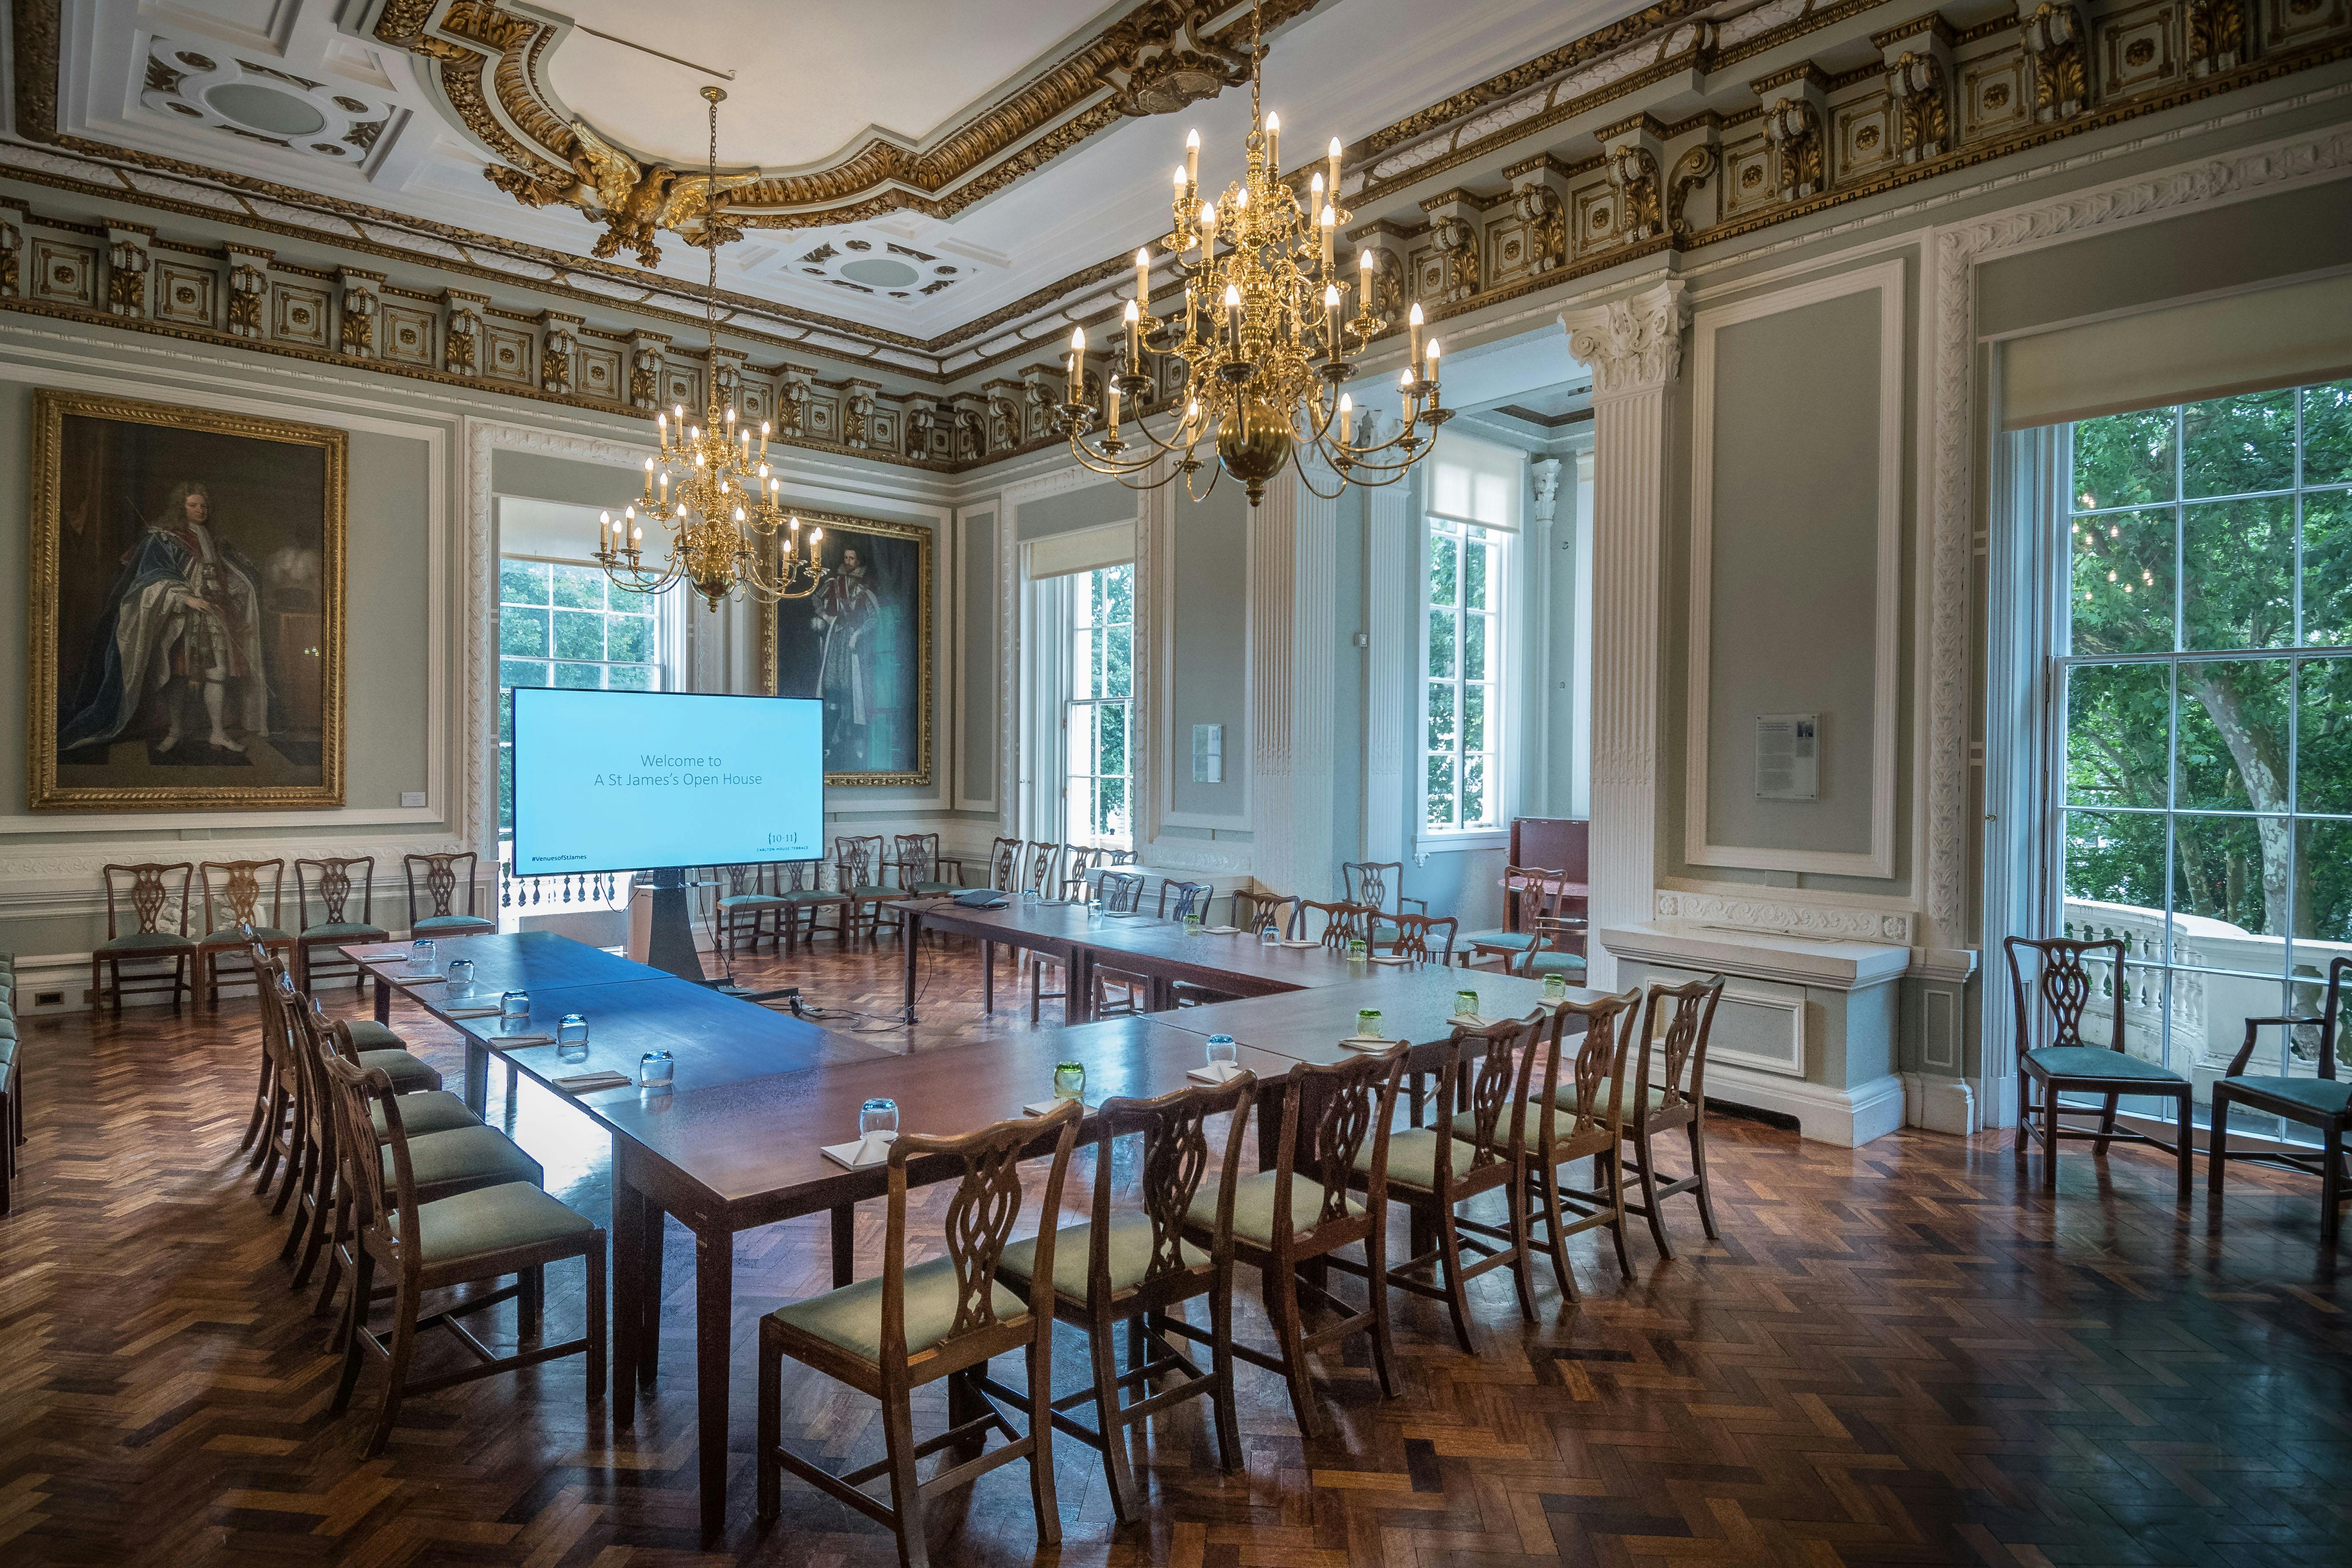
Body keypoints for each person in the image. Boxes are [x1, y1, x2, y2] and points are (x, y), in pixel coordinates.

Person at [58, 481, 269, 757]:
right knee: (178, 676)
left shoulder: (214, 541)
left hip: (214, 615)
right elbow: (150, 579)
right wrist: (186, 597)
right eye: (193, 505)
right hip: (179, 617)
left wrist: (231, 590)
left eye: (204, 506)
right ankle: (175, 731)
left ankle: (217, 732)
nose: (200, 510)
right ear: (181, 508)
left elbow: (224, 575)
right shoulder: (166, 537)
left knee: (216, 675)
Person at [809, 545, 880, 762]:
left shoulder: (864, 588)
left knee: (853, 694)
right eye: (846, 557)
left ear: (858, 561)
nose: (849, 561)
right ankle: (829, 743)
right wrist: (826, 617)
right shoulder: (833, 583)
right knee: (833, 690)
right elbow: (816, 598)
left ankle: (854, 747)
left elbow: (874, 618)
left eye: (853, 558)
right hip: (834, 638)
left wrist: (857, 634)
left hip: (853, 645)